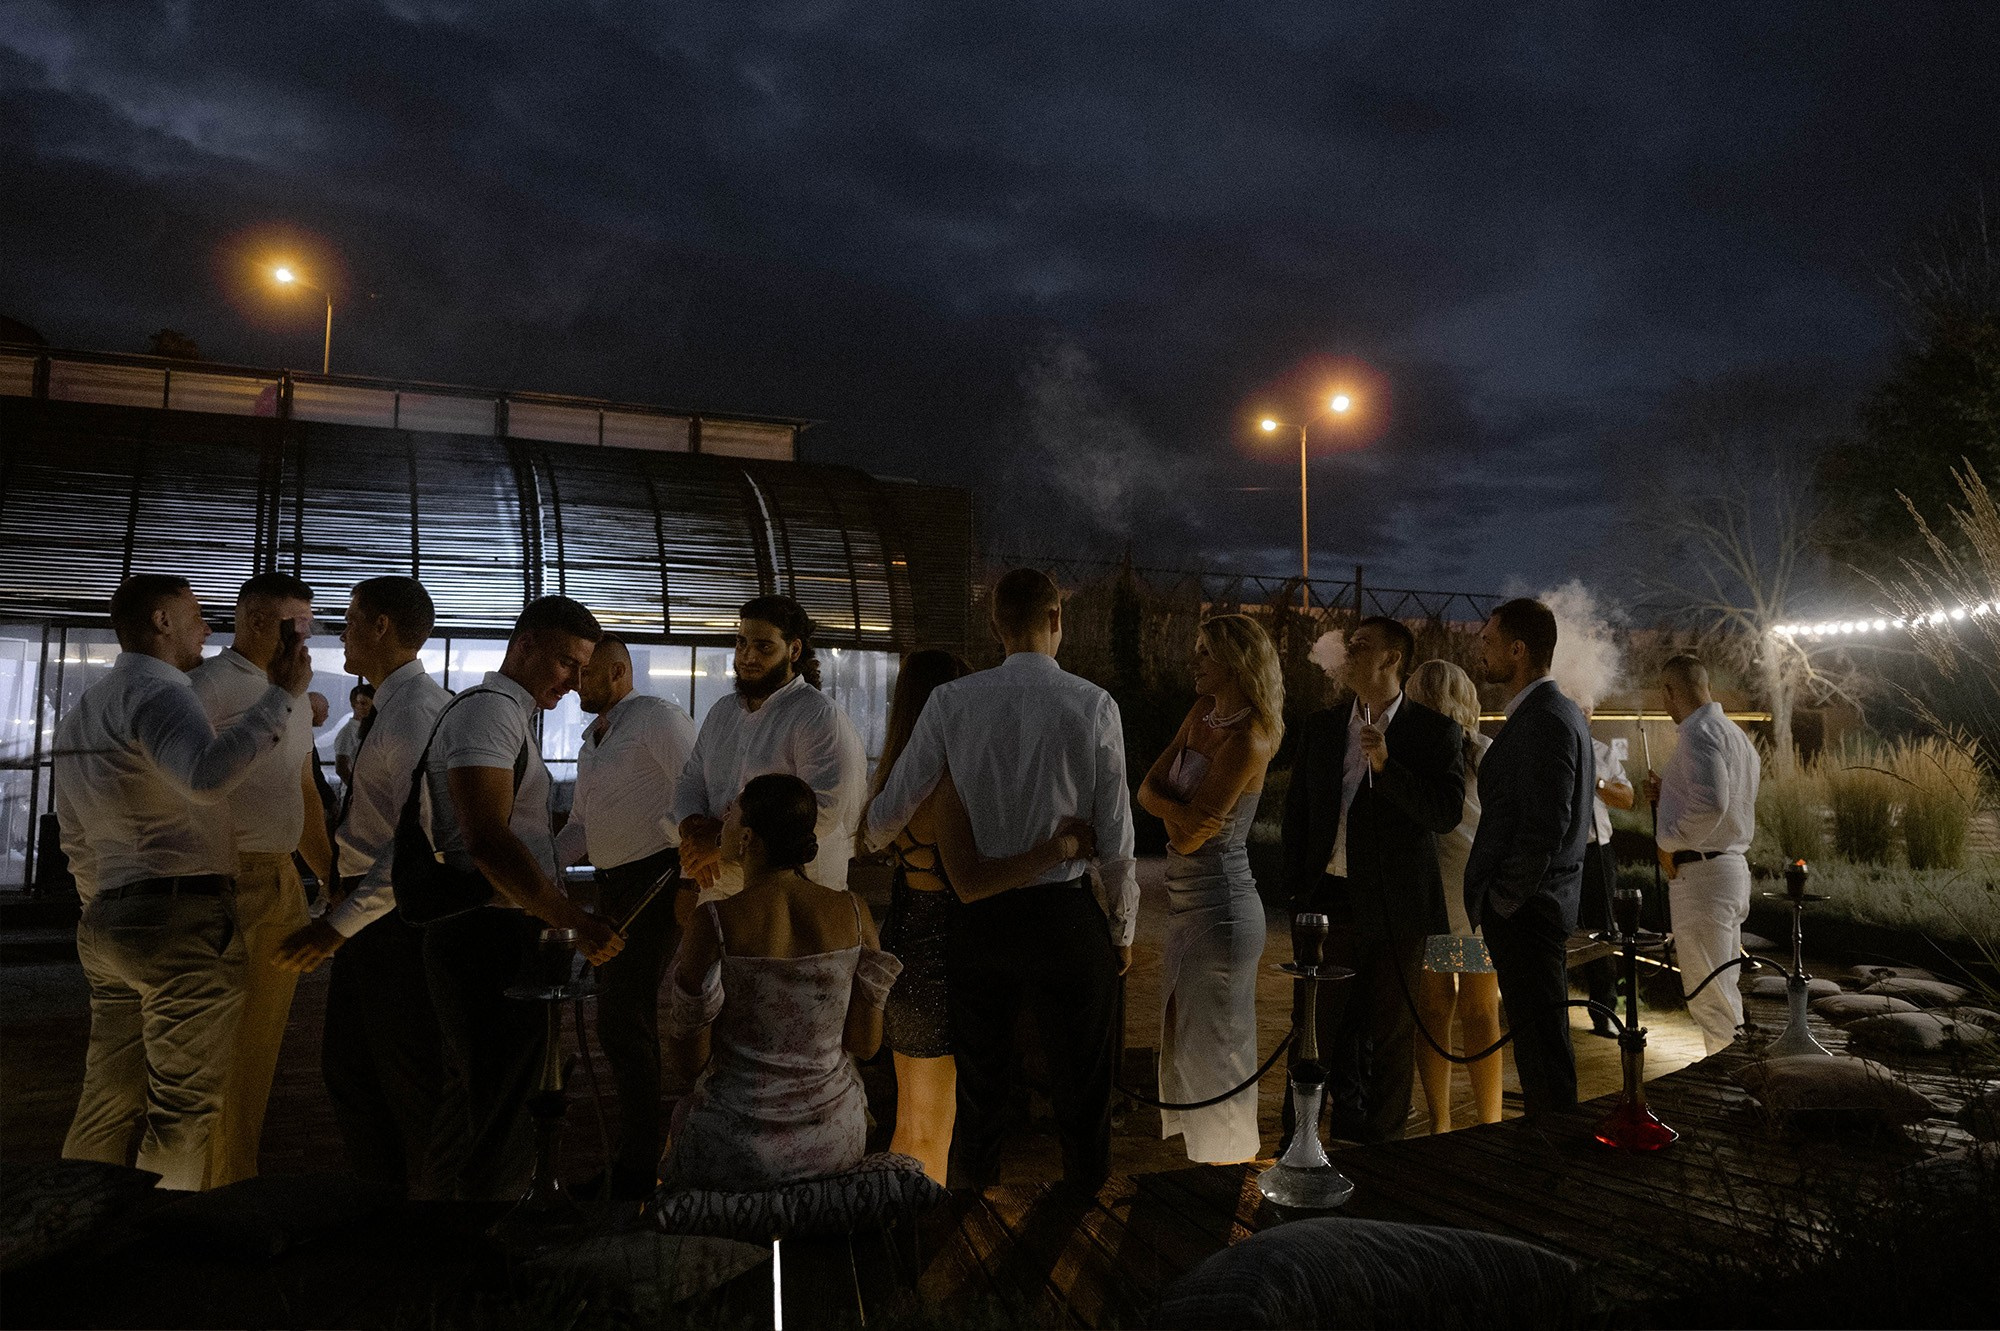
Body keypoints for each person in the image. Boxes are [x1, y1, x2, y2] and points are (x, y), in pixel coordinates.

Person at [866, 568, 1137, 1192]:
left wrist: (942, 794)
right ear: (1056, 620)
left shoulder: (951, 703)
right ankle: (1083, 1198)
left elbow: (882, 823)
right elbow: (1117, 838)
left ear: (996, 627)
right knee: (1083, 1082)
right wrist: (1121, 928)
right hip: (1065, 916)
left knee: (983, 1085)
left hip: (978, 920)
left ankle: (971, 1207)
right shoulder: (1094, 704)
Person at [56, 573, 313, 1190]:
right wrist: (279, 698)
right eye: (195, 613)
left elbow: (73, 832)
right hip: (178, 917)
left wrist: (102, 908)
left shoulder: (86, 708)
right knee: (182, 1109)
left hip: (109, 918)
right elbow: (204, 776)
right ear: (162, 622)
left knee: (109, 1099)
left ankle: (67, 1226)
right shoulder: (162, 691)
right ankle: (165, 1249)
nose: (206, 626)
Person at [417, 594, 624, 1201]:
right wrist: (571, 921)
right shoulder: (489, 714)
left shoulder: (506, 714)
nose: (576, 681)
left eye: (584, 669)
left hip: (491, 928)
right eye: (566, 663)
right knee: (504, 1104)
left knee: (481, 1099)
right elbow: (487, 839)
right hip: (486, 932)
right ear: (524, 645)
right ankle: (486, 1246)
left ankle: (449, 1237)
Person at [273, 576, 451, 1196]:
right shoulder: (395, 706)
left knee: (398, 1074)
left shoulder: (416, 713)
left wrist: (336, 924)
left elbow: (417, 845)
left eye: (349, 620)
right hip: (369, 907)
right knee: (354, 1071)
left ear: (380, 627)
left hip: (391, 919)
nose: (340, 632)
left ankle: (415, 1215)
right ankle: (388, 1201)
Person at [661, 774, 903, 1191]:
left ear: (747, 838)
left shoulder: (713, 922)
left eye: (731, 815)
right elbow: (865, 1043)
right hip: (832, 1138)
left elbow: (687, 1064)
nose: (724, 820)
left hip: (734, 1142)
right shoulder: (855, 913)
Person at [1280, 616, 1464, 1145]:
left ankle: (1384, 1155)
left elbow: (1444, 811)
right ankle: (1298, 1147)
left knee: (1391, 1037)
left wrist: (1385, 765)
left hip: (1397, 908)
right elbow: (1299, 815)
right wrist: (1296, 892)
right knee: (1313, 1032)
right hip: (1329, 901)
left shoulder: (1434, 733)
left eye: (1360, 645)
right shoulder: (1321, 727)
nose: (1347, 651)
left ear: (1391, 659)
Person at [188, 572, 335, 1186]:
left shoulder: (290, 692)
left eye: (308, 624)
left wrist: (331, 877)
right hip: (224, 879)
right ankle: (204, 1182)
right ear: (251, 622)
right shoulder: (205, 688)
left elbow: (301, 791)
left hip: (278, 880)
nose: (303, 638)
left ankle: (232, 1174)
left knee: (258, 1049)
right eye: (290, 625)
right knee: (211, 1050)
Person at [553, 633, 696, 1201]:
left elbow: (697, 796)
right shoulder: (595, 738)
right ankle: (637, 1159)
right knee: (622, 1020)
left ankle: (640, 1166)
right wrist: (533, 865)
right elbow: (582, 827)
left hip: (655, 880)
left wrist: (688, 879)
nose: (572, 683)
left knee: (622, 1018)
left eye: (584, 673)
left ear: (616, 673)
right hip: (614, 886)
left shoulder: (657, 719)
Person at [1137, 615, 1283, 1164]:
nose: (1193, 661)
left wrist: (1176, 815)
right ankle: (1209, 1163)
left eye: (1205, 652)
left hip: (1222, 906)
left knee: (1219, 1049)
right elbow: (1145, 790)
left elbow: (1198, 835)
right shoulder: (1201, 713)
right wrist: (1181, 815)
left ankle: (1231, 1169)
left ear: (1237, 663)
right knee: (1190, 1044)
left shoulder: (1251, 737)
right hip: (1185, 904)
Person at [1465, 598, 1593, 1116]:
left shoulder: (1545, 718)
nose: (1481, 648)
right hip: (1532, 910)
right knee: (1541, 1047)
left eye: (1489, 641)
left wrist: (1506, 899)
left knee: (1543, 1054)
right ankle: (1550, 1152)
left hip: (1530, 914)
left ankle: (1553, 1163)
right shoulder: (1548, 713)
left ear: (1518, 651)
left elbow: (1546, 824)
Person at [675, 596, 866, 899]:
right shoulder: (723, 712)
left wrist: (721, 839)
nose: (748, 656)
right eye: (741, 644)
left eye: (763, 647)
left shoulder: (815, 714)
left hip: (793, 890)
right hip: (719, 882)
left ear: (794, 650)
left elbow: (824, 810)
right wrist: (691, 830)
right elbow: (691, 782)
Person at [1643, 654, 1760, 1056]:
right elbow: (1721, 800)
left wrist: (1668, 841)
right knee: (1722, 989)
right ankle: (1741, 1069)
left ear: (1670, 691)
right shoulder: (1735, 734)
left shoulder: (1698, 733)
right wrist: (1670, 796)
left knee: (1708, 994)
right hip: (1728, 869)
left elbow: (1711, 804)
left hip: (1704, 876)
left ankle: (1728, 1081)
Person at [1404, 659, 1502, 1134]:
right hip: (1477, 891)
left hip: (1433, 891)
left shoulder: (1413, 754)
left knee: (1435, 1011)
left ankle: (1440, 1120)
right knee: (1482, 1012)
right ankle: (1490, 1120)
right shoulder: (1485, 751)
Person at [1576, 704, 1635, 1038]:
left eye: (1586, 707)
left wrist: (1596, 781)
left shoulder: (1602, 752)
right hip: (1559, 854)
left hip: (1597, 852)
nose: (1582, 711)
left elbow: (1627, 798)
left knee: (1603, 932)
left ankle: (1603, 1013)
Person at [334, 683, 374, 788]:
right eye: (362, 703)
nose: (367, 708)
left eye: (370, 704)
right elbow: (341, 767)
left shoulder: (370, 728)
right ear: (353, 704)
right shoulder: (348, 731)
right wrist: (355, 789)